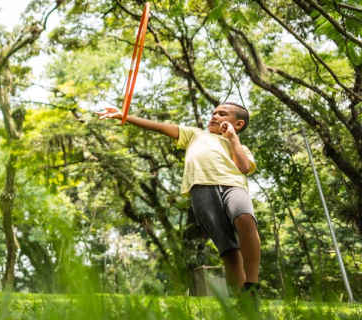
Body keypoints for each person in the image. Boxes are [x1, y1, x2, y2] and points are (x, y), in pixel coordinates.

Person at [100, 103, 261, 294]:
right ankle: (243, 301)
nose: (214, 116)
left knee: (245, 218)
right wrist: (124, 116)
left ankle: (252, 283)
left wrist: (233, 138)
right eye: (214, 113)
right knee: (228, 248)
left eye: (222, 114)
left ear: (239, 123)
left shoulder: (241, 147)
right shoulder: (195, 134)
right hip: (201, 190)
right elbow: (158, 126)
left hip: (233, 185)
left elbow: (243, 167)